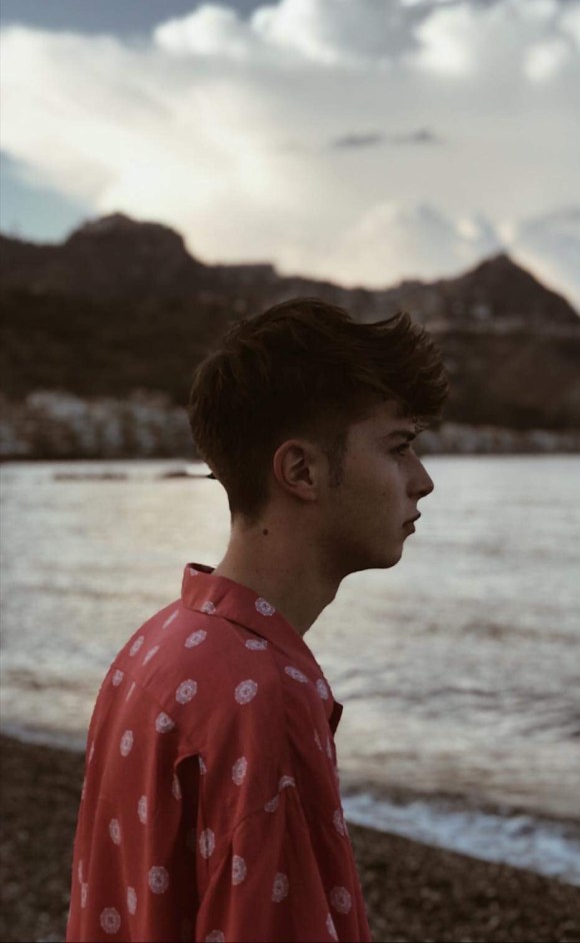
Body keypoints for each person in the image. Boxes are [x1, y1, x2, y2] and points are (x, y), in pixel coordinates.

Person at [65, 297, 449, 943]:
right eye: (399, 447)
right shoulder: (265, 697)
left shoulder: (155, 647)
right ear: (301, 470)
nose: (423, 480)